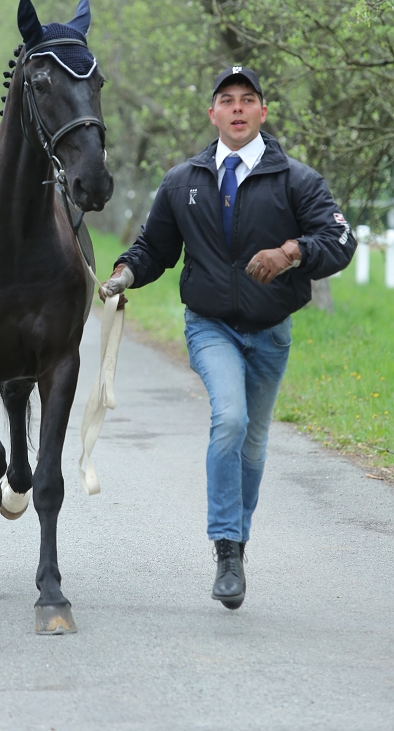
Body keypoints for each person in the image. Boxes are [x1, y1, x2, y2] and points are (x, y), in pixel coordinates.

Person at [100, 66, 356, 610]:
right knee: (231, 420)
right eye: (226, 100)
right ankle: (227, 551)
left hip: (271, 332)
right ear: (213, 113)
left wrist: (292, 253)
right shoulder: (183, 181)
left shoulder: (297, 180)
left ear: (263, 112)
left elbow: (339, 240)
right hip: (210, 325)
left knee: (255, 443)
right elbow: (154, 250)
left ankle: (237, 540)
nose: (237, 109)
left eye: (248, 100)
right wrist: (122, 274)